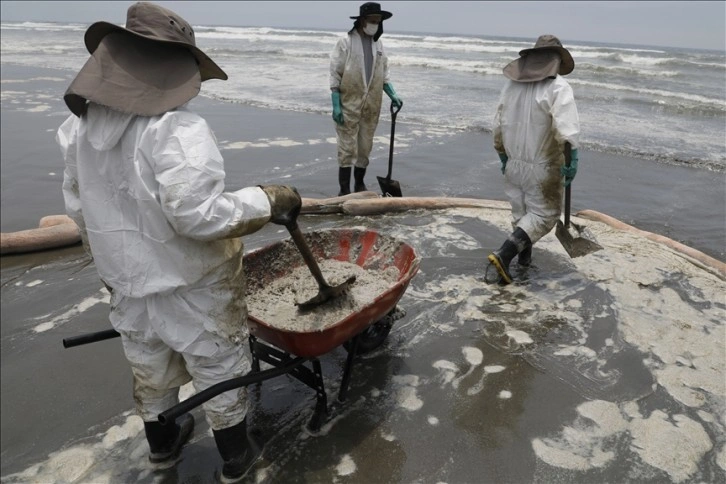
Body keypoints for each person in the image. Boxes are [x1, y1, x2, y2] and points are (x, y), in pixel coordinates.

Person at [56, 3, 301, 482]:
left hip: (126, 280)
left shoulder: (77, 130)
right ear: (173, 68)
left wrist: (110, 265)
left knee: (147, 361)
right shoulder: (177, 129)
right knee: (219, 361)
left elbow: (79, 209)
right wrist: (265, 201)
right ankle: (236, 457)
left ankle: (163, 445)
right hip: (192, 280)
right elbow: (199, 217)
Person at [489, 34, 581, 285]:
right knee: (544, 215)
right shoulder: (558, 87)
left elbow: (497, 124)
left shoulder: (511, 86)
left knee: (522, 215)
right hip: (543, 166)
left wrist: (502, 154)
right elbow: (566, 130)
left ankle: (524, 263)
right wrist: (572, 159)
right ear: (555, 60)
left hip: (514, 163)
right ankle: (504, 254)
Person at [329, 2, 403, 196]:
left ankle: (359, 184)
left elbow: (383, 74)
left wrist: (393, 94)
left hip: (372, 104)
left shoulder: (378, 44)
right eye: (372, 21)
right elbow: (335, 73)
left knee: (365, 146)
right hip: (348, 102)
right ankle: (344, 189)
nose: (375, 25)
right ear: (362, 21)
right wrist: (336, 104)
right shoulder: (345, 42)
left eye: (378, 22)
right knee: (347, 147)